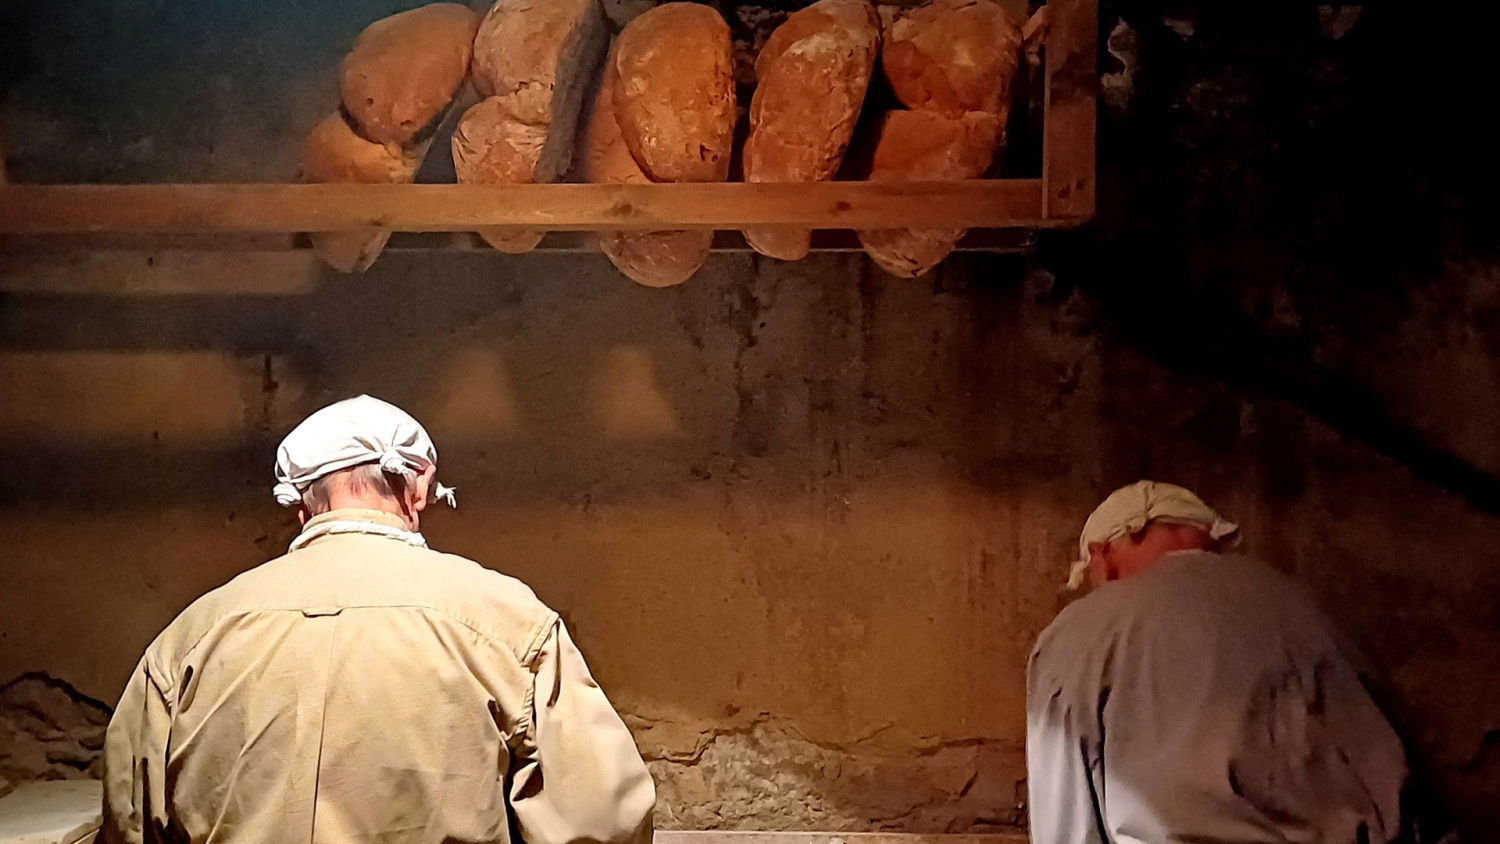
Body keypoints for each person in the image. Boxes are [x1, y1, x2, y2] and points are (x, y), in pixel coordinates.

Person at [102, 395, 655, 844]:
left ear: (296, 501)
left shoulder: (193, 635)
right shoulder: (507, 623)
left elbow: (129, 820)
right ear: (419, 484)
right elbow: (599, 823)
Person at [1026, 480, 1414, 844]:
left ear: (1101, 557)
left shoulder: (1080, 633)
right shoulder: (1312, 611)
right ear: (1210, 536)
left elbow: (1065, 820)